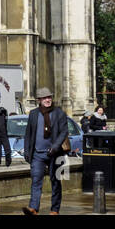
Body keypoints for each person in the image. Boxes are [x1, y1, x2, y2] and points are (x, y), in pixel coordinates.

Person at [22, 87, 71, 215]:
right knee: (36, 180)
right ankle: (33, 208)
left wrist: (55, 146)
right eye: (44, 98)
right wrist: (27, 151)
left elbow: (64, 132)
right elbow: (28, 134)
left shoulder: (59, 113)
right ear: (39, 100)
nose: (48, 100)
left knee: (55, 181)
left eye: (49, 97)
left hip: (55, 154)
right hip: (38, 154)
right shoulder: (33, 114)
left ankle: (55, 209)